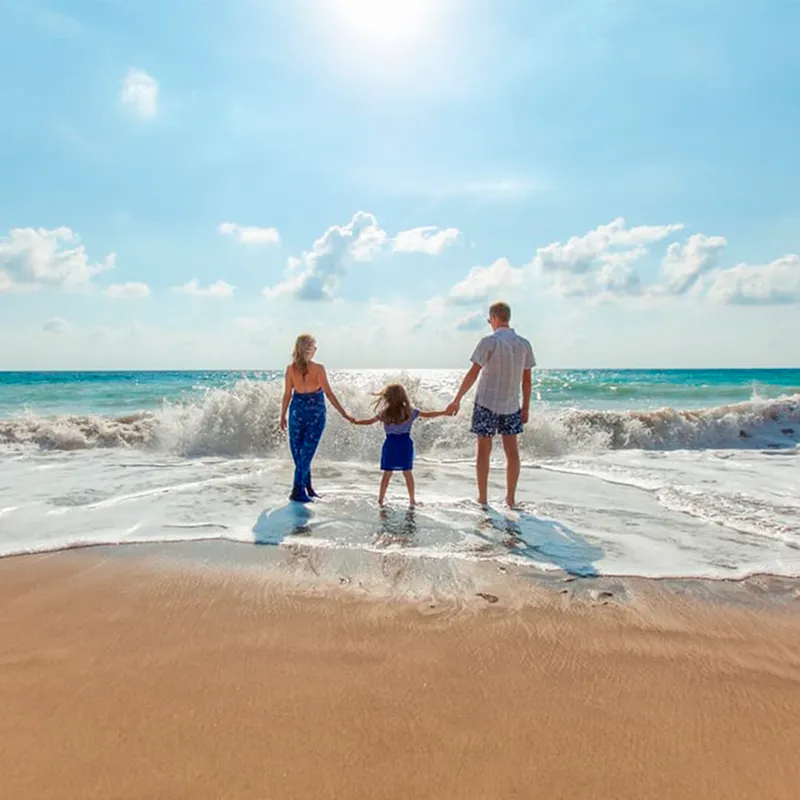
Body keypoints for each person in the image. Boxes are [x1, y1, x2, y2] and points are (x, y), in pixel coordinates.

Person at [446, 302, 535, 508]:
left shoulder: (489, 341)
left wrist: (457, 398)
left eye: (489, 320)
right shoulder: (524, 344)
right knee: (512, 453)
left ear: (494, 318)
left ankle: (483, 498)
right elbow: (527, 380)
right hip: (512, 405)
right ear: (508, 318)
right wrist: (527, 407)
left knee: (483, 452)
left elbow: (473, 373)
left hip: (486, 402)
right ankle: (510, 499)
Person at [280, 334, 353, 503]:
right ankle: (297, 490)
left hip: (298, 411)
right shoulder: (316, 368)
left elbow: (287, 395)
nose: (316, 350)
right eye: (314, 347)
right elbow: (328, 393)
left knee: (303, 453)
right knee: (302, 453)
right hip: (312, 412)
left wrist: (283, 415)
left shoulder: (292, 369)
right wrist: (344, 413)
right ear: (308, 349)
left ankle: (307, 488)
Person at [352, 383, 448, 506]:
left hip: (391, 444)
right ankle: (412, 500)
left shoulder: (384, 413)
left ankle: (381, 500)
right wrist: (444, 412)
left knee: (387, 474)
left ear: (387, 397)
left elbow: (369, 422)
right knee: (407, 473)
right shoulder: (410, 412)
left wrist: (355, 421)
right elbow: (429, 414)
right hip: (405, 444)